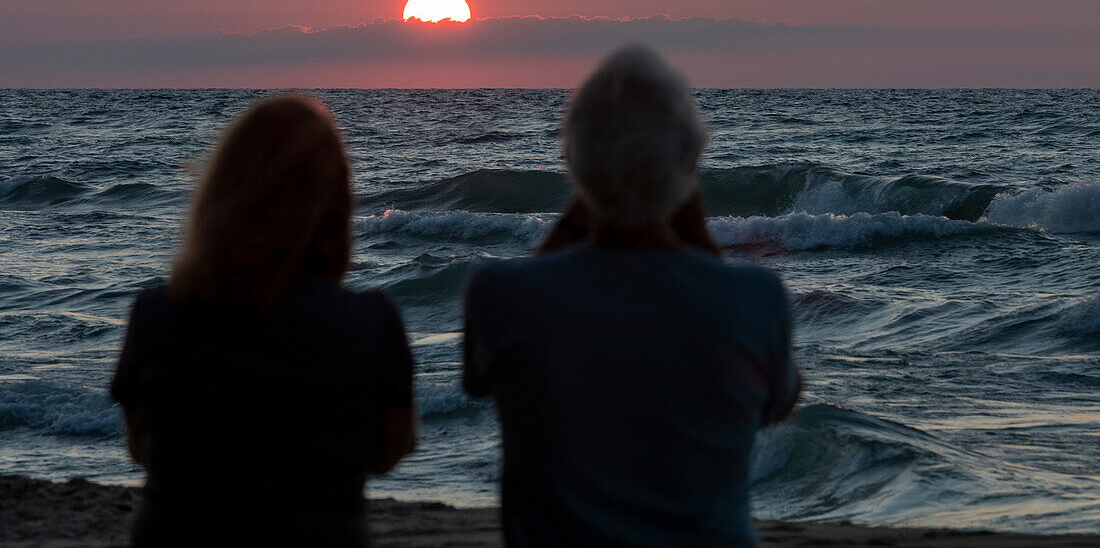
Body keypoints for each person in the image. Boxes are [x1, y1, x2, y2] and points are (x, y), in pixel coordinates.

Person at [463, 46, 801, 547]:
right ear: (690, 161)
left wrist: (586, 205)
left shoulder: (501, 295)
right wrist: (703, 246)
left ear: (575, 164)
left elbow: (480, 380)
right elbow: (778, 403)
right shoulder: (756, 299)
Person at [110, 95, 415, 547]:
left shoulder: (156, 314)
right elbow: (388, 454)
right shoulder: (370, 322)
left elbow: (141, 448)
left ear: (223, 192)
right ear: (335, 202)